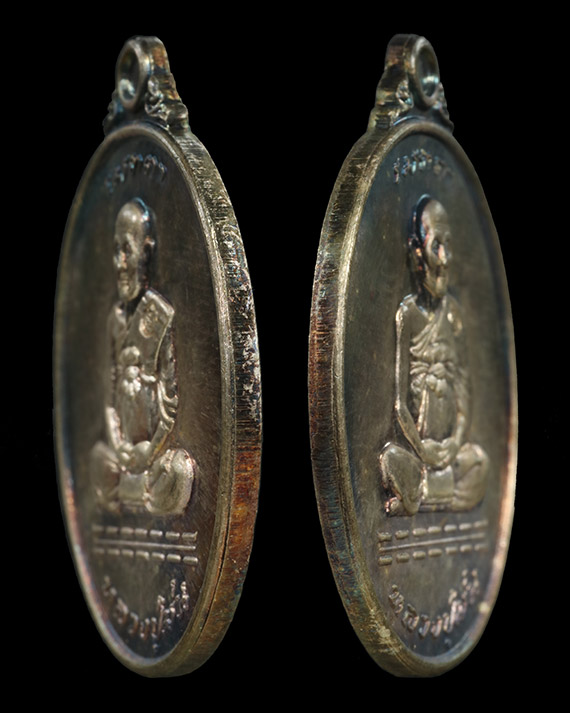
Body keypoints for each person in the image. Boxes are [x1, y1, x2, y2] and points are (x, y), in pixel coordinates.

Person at [379, 197, 488, 516]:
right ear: (417, 253)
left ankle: (418, 499)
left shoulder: (454, 314)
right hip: (418, 451)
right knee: (389, 459)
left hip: (450, 452)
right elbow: (399, 404)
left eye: (448, 246)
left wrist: (454, 442)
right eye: (436, 246)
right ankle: (434, 492)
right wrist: (422, 450)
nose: (444, 258)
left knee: (479, 462)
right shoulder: (408, 315)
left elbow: (464, 392)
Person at [90, 198, 194, 515]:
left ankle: (134, 490)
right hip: (124, 456)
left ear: (145, 253)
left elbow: (171, 405)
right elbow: (109, 397)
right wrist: (119, 445)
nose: (120, 263)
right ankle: (136, 489)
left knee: (179, 471)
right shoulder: (115, 319)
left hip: (154, 452)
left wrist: (150, 452)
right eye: (115, 251)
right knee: (97, 459)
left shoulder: (159, 316)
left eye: (128, 250)